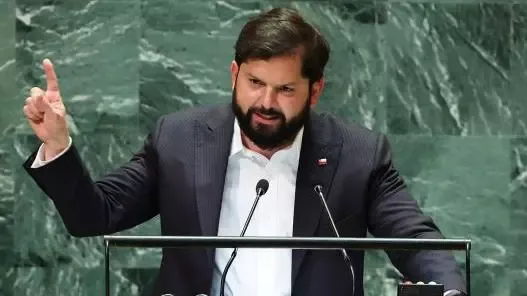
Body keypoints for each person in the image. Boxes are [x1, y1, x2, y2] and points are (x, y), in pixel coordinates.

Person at [22, 7, 466, 296]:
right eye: (255, 83)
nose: (267, 103)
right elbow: (93, 215)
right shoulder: (179, 138)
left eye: (286, 89)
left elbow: (414, 239)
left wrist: (448, 290)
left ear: (314, 92)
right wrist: (59, 146)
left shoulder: (357, 154)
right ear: (234, 74)